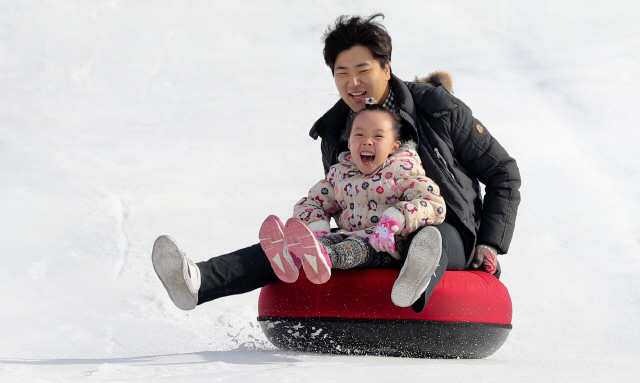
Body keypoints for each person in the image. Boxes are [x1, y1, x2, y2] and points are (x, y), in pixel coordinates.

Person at [151, 13, 521, 314]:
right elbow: (335, 193)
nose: (354, 82)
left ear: (387, 68)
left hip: (443, 230)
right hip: (366, 235)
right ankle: (198, 280)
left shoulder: (437, 109)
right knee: (292, 246)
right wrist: (312, 231)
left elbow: (503, 173)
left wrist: (489, 244)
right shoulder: (336, 129)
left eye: (363, 70)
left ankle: (417, 288)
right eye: (342, 73)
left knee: (429, 239)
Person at [258, 104, 446, 307]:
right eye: (359, 135)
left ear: (394, 147)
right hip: (348, 233)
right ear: (349, 142)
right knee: (331, 238)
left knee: (354, 247)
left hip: (385, 245)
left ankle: (323, 257)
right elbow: (313, 201)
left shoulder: (404, 171)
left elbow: (433, 203)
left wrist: (396, 218)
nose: (367, 141)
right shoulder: (341, 175)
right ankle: (294, 258)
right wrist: (315, 227)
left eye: (378, 136)